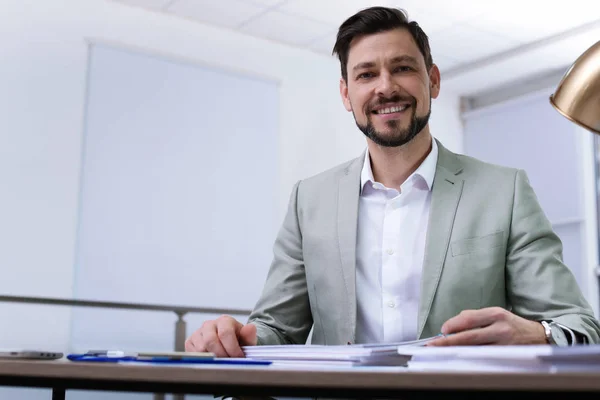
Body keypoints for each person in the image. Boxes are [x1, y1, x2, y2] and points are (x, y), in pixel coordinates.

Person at [185, 6, 600, 357]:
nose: (386, 87)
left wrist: (537, 334)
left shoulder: (503, 192)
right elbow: (278, 331)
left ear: (433, 80)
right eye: (366, 75)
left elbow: (579, 326)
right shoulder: (309, 200)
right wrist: (234, 339)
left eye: (402, 68)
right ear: (346, 94)